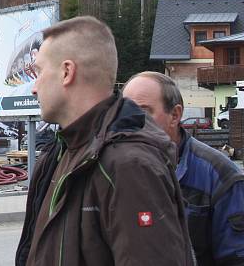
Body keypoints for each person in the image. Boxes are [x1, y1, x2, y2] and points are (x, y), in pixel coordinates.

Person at [15, 16, 194, 266]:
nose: (34, 88)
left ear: (67, 72)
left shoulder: (129, 167)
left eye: (39, 72)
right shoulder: (58, 155)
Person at [123, 71, 244, 265]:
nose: (131, 123)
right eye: (126, 113)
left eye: (144, 113)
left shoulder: (221, 176)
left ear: (175, 115)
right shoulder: (110, 170)